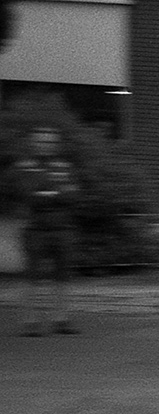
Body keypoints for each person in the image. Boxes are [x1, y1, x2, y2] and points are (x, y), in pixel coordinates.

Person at [12, 126, 81, 336]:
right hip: (36, 229)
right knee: (33, 275)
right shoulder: (26, 167)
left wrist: (47, 194)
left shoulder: (64, 167)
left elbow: (73, 196)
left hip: (62, 229)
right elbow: (28, 195)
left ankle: (62, 319)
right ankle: (30, 322)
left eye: (50, 142)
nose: (46, 145)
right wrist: (56, 194)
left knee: (63, 275)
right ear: (34, 143)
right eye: (42, 142)